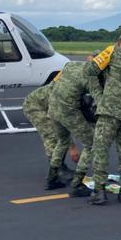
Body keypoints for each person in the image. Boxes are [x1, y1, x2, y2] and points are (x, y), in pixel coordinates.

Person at [87, 31, 121, 206]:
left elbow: (91, 70)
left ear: (119, 42)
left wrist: (92, 60)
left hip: (110, 110)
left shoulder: (112, 51)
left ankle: (99, 191)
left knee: (101, 149)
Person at [49, 60, 103, 197]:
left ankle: (52, 178)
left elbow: (54, 84)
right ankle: (77, 185)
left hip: (53, 108)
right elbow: (99, 102)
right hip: (68, 112)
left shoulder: (71, 64)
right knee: (91, 143)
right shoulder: (92, 78)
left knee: (62, 141)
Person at [23, 78, 81, 189]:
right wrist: (72, 148)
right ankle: (57, 172)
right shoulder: (68, 95)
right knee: (52, 136)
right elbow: (64, 122)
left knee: (59, 135)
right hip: (35, 106)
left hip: (50, 104)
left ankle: (59, 167)